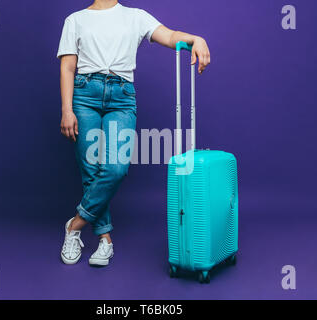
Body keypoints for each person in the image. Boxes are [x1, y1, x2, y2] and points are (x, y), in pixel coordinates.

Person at [57, 0, 210, 266]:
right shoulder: (75, 20)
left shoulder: (136, 16)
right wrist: (67, 110)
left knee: (116, 167)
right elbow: (68, 67)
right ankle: (105, 240)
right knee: (91, 169)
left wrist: (197, 38)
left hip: (122, 96)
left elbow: (171, 36)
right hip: (85, 95)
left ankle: (75, 225)